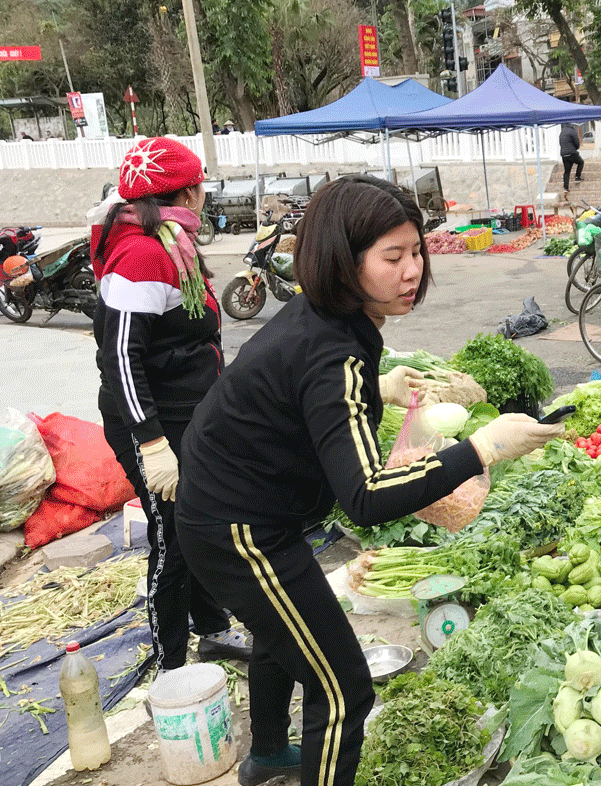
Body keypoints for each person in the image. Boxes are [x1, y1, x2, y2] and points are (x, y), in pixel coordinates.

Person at [174, 176, 564, 786]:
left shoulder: (328, 320)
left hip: (240, 510)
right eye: (393, 257)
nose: (413, 270)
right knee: (343, 689)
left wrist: (377, 390)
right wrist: (482, 448)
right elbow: (366, 500)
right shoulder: (336, 350)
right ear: (343, 261)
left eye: (416, 251)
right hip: (238, 529)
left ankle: (270, 754)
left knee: (286, 633)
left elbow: (297, 395)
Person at [92, 137, 252, 675]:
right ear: (185, 190)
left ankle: (210, 632)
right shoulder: (139, 255)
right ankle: (171, 666)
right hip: (151, 423)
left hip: (187, 415)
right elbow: (120, 357)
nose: (205, 193)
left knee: (198, 524)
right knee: (174, 536)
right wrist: (152, 442)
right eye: (200, 184)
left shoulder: (169, 240)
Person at [559, 122, 584, 193]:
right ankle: (577, 177)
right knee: (581, 162)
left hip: (564, 154)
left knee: (567, 171)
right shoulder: (572, 131)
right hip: (572, 153)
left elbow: (560, 143)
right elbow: (577, 143)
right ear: (572, 125)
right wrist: (575, 148)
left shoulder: (562, 132)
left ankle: (565, 187)